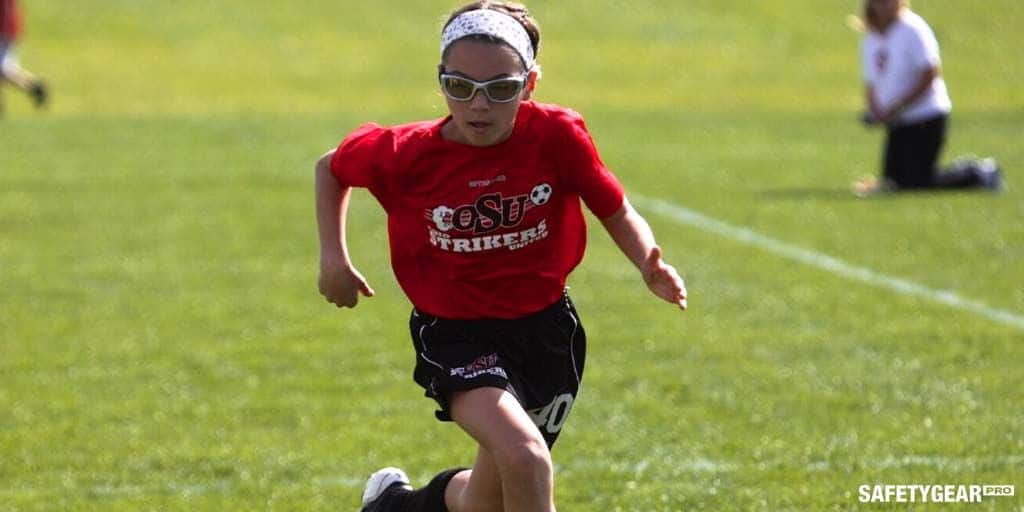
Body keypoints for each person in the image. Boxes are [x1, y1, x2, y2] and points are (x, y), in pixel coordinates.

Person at [314, 1, 687, 510]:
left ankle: (394, 505)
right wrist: (333, 259)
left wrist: (647, 260)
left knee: (484, 501)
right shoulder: (406, 153)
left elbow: (616, 210)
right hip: (455, 335)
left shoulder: (558, 136)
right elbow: (331, 168)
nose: (479, 105)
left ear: (530, 84)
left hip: (546, 332)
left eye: (501, 89)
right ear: (440, 81)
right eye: (460, 87)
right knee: (528, 456)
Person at [854, 0, 1003, 196]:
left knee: (916, 182)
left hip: (926, 116)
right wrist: (876, 110)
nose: (886, 5)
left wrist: (899, 105)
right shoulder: (872, 37)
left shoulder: (913, 28)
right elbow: (872, 82)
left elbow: (930, 74)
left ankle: (977, 173)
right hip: (898, 121)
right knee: (894, 182)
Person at [0, 0, 47, 115]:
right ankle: (33, 86)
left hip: (5, 31)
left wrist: (6, 31)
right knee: (4, 70)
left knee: (4, 70)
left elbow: (7, 10)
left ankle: (34, 86)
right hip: (6, 29)